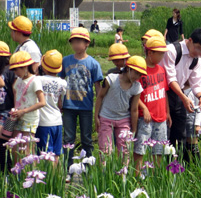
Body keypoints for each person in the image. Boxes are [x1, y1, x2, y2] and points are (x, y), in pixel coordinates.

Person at [160, 28, 201, 160]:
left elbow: (197, 82)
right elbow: (170, 79)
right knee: (164, 132)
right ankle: (163, 165)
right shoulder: (172, 50)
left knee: (180, 133)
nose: (199, 53)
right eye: (198, 48)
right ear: (190, 41)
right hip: (163, 94)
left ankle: (177, 166)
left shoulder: (196, 59)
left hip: (179, 94)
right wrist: (184, 98)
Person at [60, 28, 103, 167]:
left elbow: (98, 88)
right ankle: (68, 168)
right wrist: (59, 101)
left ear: (87, 44)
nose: (76, 45)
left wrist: (99, 108)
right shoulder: (65, 61)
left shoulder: (93, 63)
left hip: (86, 106)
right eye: (74, 42)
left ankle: (88, 168)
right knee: (68, 139)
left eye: (80, 42)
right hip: (68, 106)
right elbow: (60, 83)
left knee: (86, 138)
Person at [95, 56, 145, 164]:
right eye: (136, 73)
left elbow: (134, 109)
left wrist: (134, 130)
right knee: (105, 150)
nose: (137, 77)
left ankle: (123, 176)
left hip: (124, 119)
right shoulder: (111, 79)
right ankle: (104, 176)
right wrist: (96, 116)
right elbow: (100, 96)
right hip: (106, 117)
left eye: (140, 75)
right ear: (128, 69)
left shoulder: (137, 87)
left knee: (124, 150)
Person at [134, 36, 170, 175]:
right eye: (159, 53)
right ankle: (137, 177)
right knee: (140, 148)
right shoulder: (140, 70)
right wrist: (144, 108)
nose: (162, 56)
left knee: (159, 149)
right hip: (145, 117)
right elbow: (133, 93)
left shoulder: (161, 69)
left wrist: (167, 112)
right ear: (150, 53)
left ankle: (155, 177)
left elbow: (164, 92)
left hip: (161, 117)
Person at [9, 51, 45, 160]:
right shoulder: (18, 81)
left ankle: (30, 173)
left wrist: (23, 111)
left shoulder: (35, 80)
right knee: (14, 148)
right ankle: (17, 173)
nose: (15, 72)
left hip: (30, 118)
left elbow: (42, 102)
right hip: (18, 117)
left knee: (27, 149)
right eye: (13, 70)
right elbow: (17, 97)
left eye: (17, 69)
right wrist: (16, 111)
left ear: (25, 67)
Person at [36, 50, 67, 166]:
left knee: (45, 154)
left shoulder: (38, 80)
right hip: (57, 121)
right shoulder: (63, 83)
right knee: (56, 153)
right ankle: (56, 180)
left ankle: (47, 180)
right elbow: (60, 103)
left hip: (44, 122)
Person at [0, 42, 14, 171]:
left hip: (7, 113)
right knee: (4, 142)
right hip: (9, 112)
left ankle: (6, 170)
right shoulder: (12, 71)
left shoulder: (9, 72)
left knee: (3, 141)